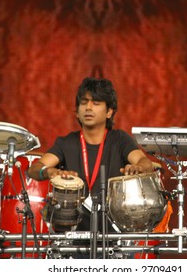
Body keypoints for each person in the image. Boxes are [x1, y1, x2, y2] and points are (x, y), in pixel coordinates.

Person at [26, 77, 154, 234]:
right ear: (77, 113)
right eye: (84, 102)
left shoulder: (119, 140)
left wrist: (138, 168)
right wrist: (48, 171)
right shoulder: (67, 143)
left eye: (96, 103)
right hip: (72, 233)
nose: (88, 107)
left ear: (109, 112)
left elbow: (145, 162)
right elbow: (34, 169)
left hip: (113, 235)